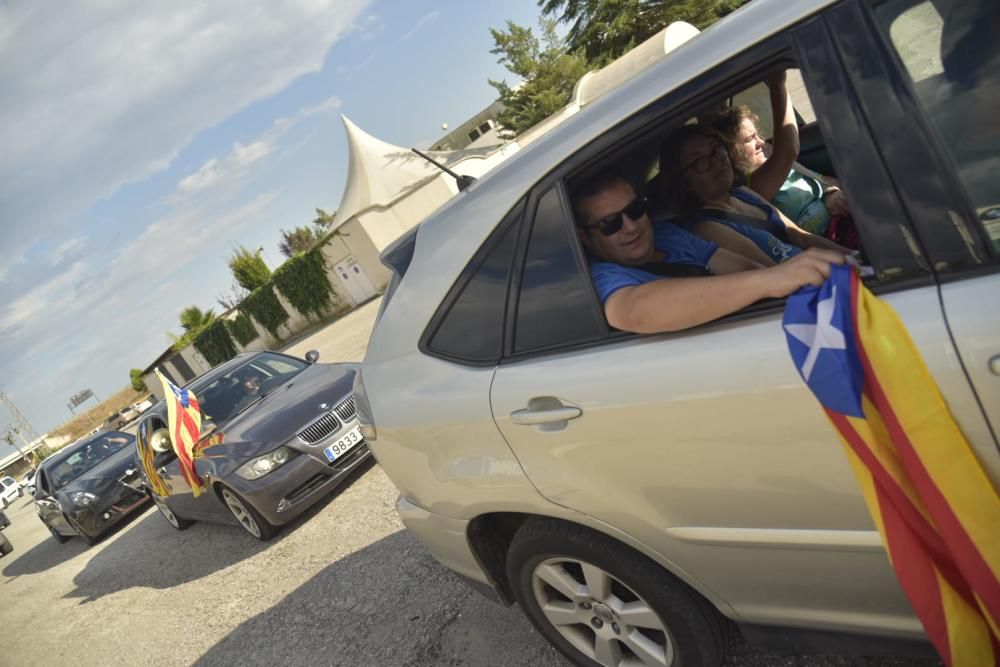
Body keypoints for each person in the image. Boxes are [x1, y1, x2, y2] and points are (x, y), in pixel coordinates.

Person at [573, 170, 846, 334]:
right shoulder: (601, 276)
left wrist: (782, 281)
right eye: (610, 223)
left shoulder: (667, 235)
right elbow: (634, 310)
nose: (631, 227)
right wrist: (770, 281)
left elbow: (743, 268)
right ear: (586, 237)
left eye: (635, 210)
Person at [658, 124, 850, 265]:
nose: (715, 160)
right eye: (699, 161)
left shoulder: (743, 193)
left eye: (716, 149)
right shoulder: (707, 228)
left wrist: (853, 257)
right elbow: (776, 275)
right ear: (684, 182)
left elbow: (801, 237)